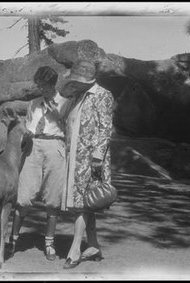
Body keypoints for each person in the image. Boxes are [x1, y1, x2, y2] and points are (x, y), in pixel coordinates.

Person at [9, 66, 72, 261]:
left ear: (53, 84)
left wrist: (59, 114)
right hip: (34, 147)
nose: (42, 89)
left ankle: (49, 242)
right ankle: (13, 239)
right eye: (40, 86)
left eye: (45, 86)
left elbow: (71, 128)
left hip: (55, 147)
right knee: (23, 196)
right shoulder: (34, 103)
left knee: (53, 198)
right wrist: (26, 133)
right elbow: (29, 125)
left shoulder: (66, 102)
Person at [59, 60, 115, 269]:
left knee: (82, 204)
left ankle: (75, 249)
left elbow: (105, 128)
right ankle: (94, 245)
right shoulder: (78, 96)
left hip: (91, 159)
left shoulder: (103, 95)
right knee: (86, 202)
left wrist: (98, 156)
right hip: (75, 156)